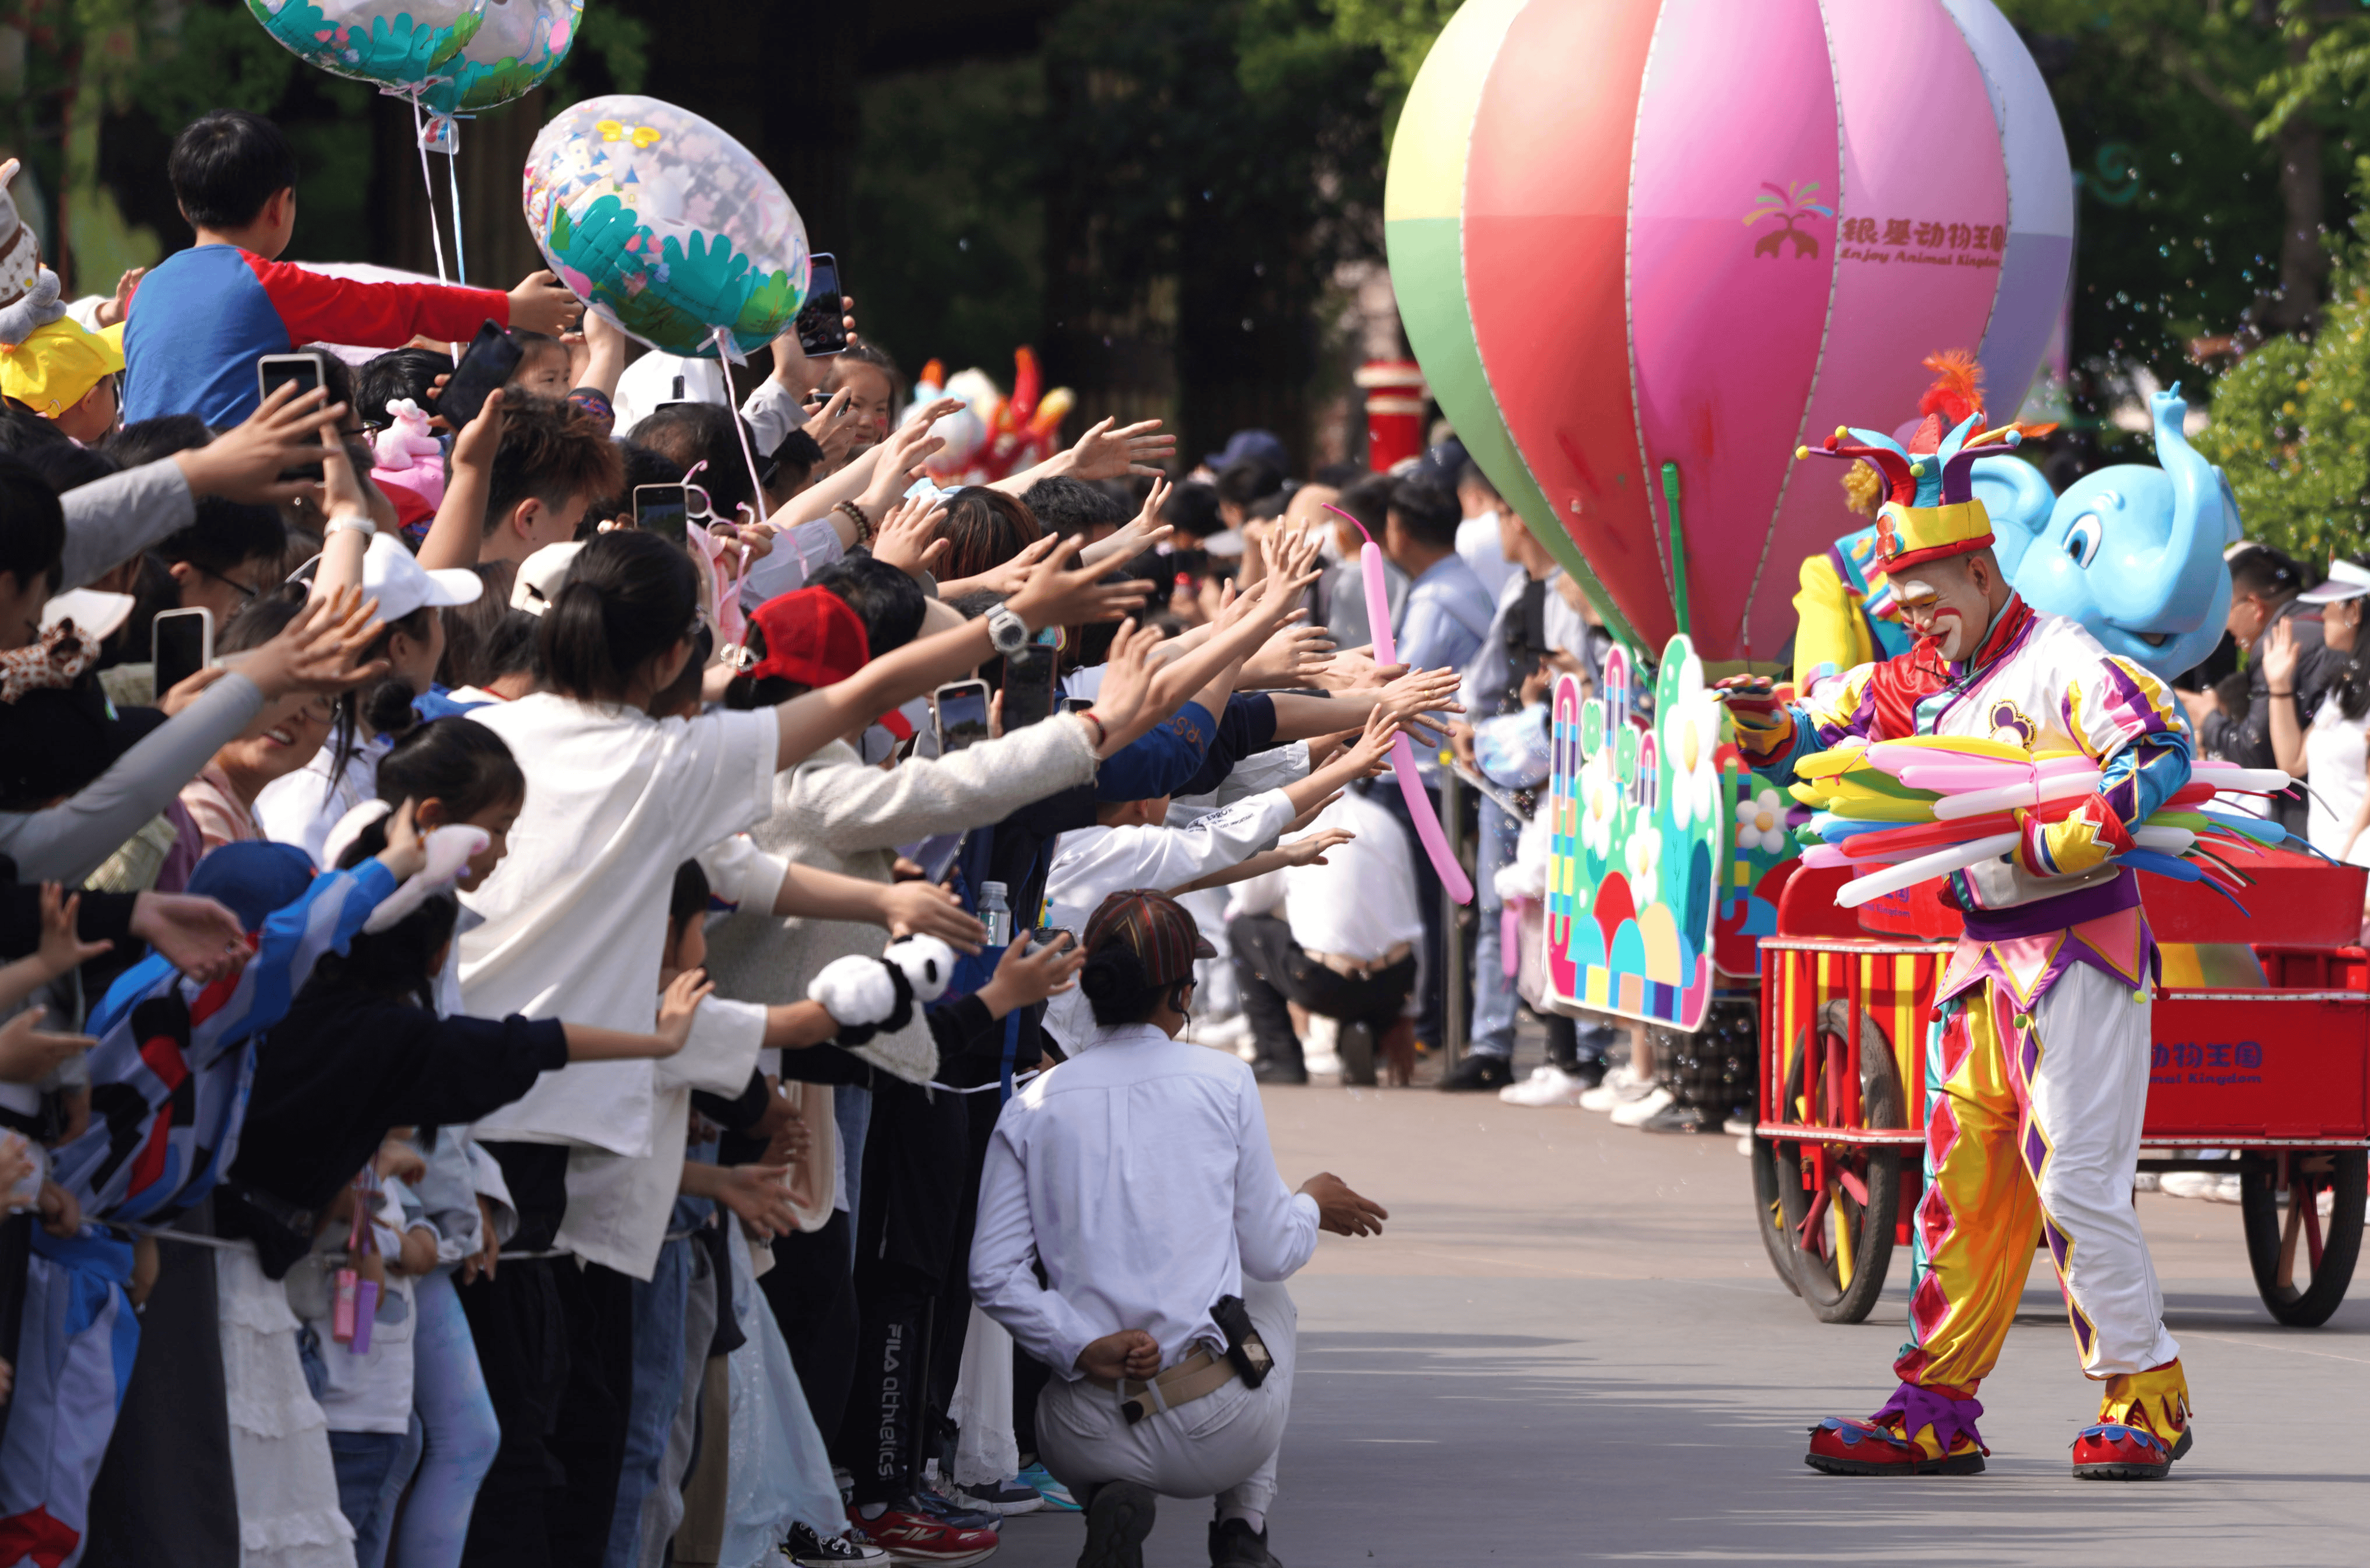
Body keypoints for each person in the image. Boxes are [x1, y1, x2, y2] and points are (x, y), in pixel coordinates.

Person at [1728, 414, 2196, 1481]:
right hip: (1982, 958)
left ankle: (2146, 1394)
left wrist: (2100, 822)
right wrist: (1764, 727)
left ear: (1983, 570)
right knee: (1962, 1182)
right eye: (1897, 606)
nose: (1912, 620)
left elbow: (2162, 742)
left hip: (2082, 950)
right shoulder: (1921, 676)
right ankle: (1934, 1405)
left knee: (2075, 1182)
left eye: (1927, 596)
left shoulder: (2065, 659)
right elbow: (1819, 723)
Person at [970, 889, 1387, 1568]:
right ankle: (1242, 1527)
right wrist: (1309, 1202)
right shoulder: (1223, 1081)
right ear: (1180, 993)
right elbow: (1271, 1248)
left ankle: (1109, 1490)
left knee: (1103, 1377)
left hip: (1082, 1430)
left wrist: (1081, 1346)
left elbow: (990, 1274)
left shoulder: (1033, 1103)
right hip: (1218, 1428)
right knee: (1267, 1297)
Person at [121, 110, 581, 426]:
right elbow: (400, 308)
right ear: (280, 207)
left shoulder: (149, 290)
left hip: (146, 494)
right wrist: (509, 307)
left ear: (184, 208)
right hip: (230, 510)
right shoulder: (264, 287)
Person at [1225, 785, 1421, 1085]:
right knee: (1356, 930)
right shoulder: (1385, 820)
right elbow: (1413, 922)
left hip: (1322, 982)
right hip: (1394, 983)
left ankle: (1278, 1055)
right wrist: (1410, 1011)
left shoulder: (1292, 823)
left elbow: (1251, 902)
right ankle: (1361, 1033)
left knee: (1243, 927)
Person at [2262, 558, 2370, 861]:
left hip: (2357, 867)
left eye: (2330, 605)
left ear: (2355, 611)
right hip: (2334, 861)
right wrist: (2280, 686)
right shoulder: (2343, 690)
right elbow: (2292, 763)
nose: (2322, 615)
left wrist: (2348, 864)